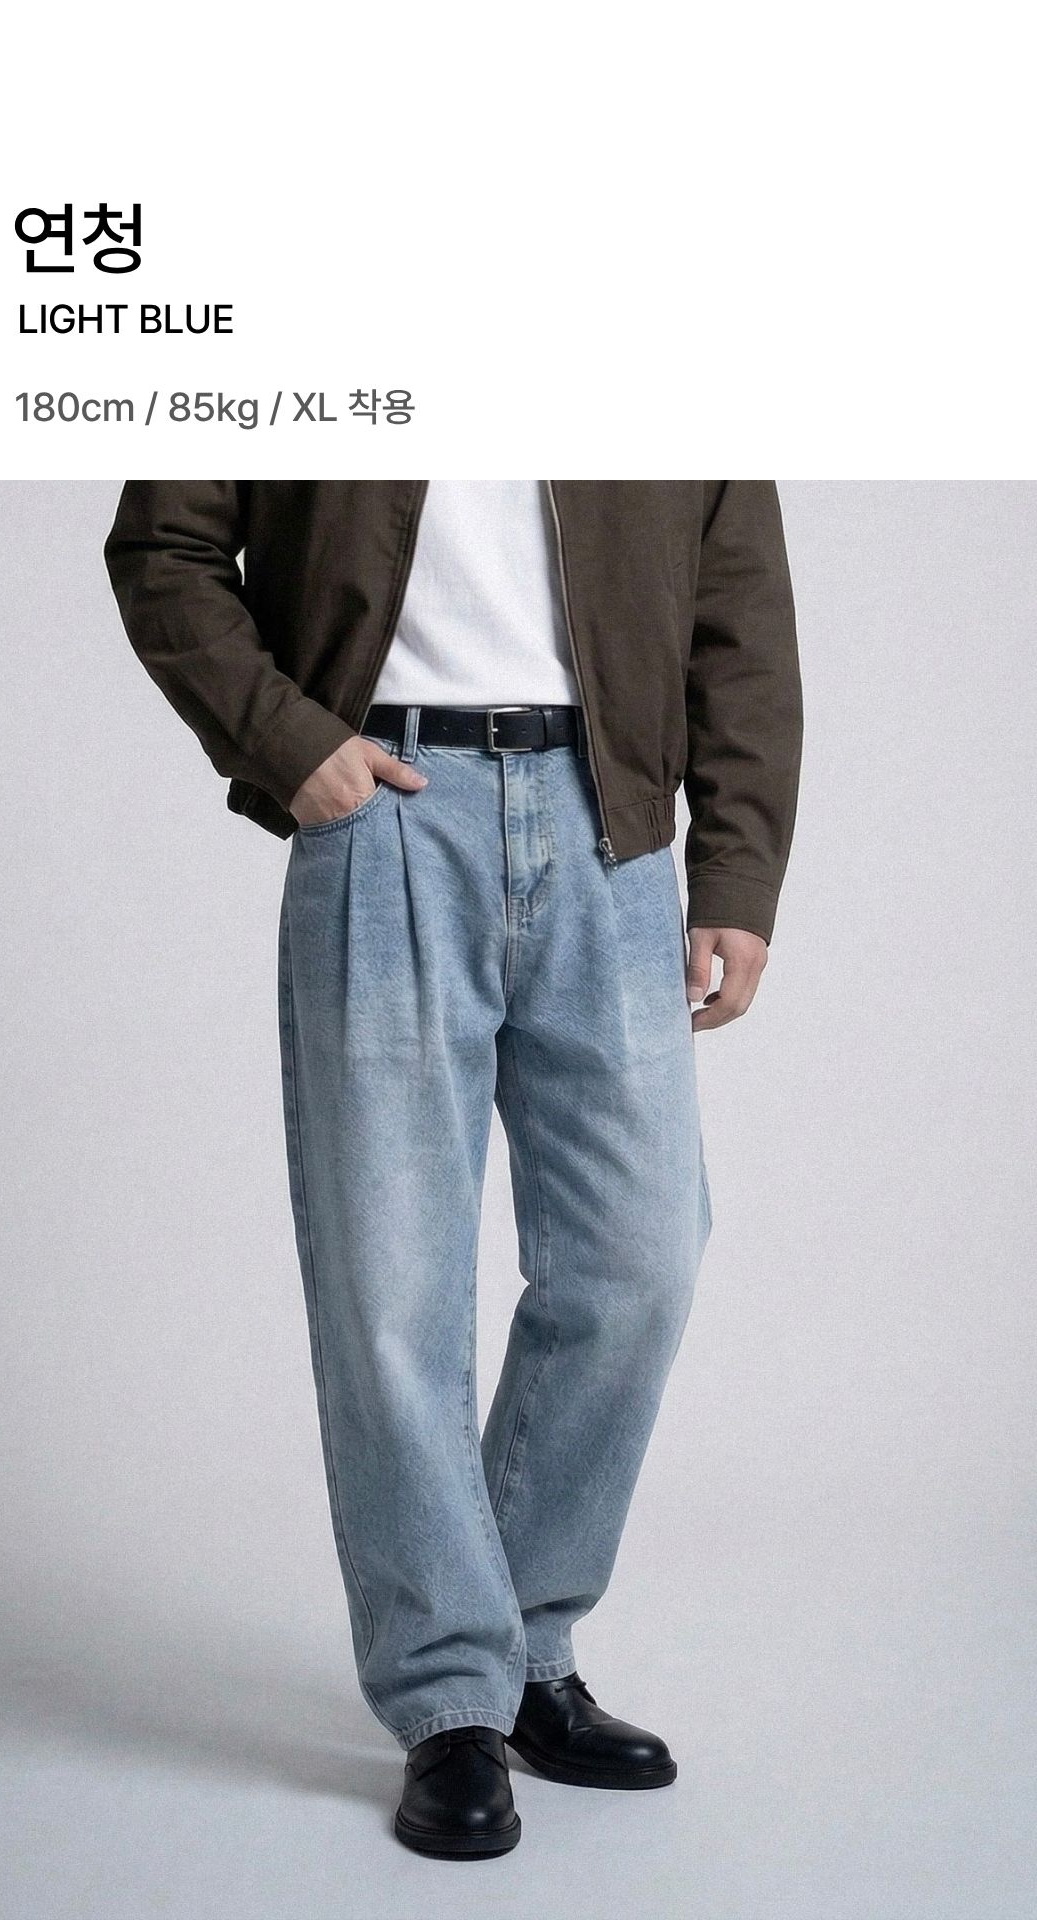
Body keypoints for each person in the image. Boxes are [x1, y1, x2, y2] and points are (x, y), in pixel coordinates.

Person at [104, 480, 803, 1860]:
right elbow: (164, 546)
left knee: (640, 1259)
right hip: (387, 807)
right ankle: (449, 1700)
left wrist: (738, 866)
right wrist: (290, 741)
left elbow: (739, 609)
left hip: (610, 828)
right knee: (391, 1286)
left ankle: (521, 1648)